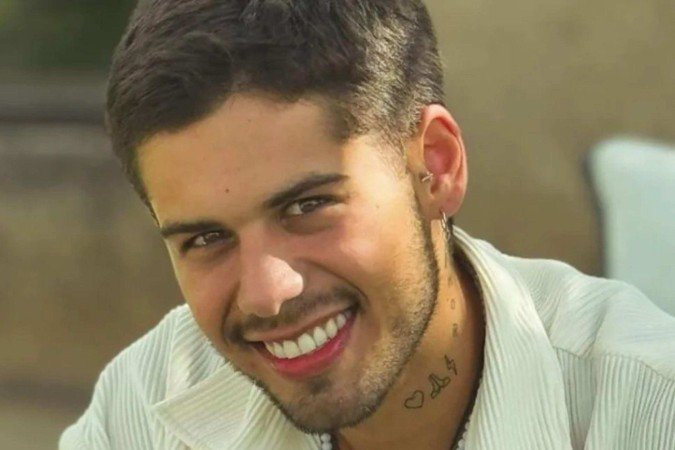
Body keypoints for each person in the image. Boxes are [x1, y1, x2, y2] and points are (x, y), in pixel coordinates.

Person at [60, 1, 675, 449]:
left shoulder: (648, 408)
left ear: (436, 166)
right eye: (206, 239)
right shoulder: (143, 407)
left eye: (307, 207)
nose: (267, 293)